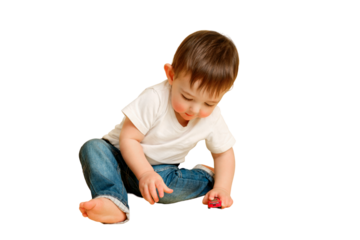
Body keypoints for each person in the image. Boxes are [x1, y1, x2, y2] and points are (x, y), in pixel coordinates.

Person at [78, 28, 240, 227]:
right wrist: (144, 173)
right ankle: (114, 202)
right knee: (92, 146)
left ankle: (207, 178)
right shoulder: (154, 98)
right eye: (187, 97)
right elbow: (129, 138)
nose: (195, 109)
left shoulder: (213, 116)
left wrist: (223, 188)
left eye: (209, 103)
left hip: (160, 172)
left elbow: (224, 152)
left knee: (164, 190)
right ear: (171, 75)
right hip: (117, 160)